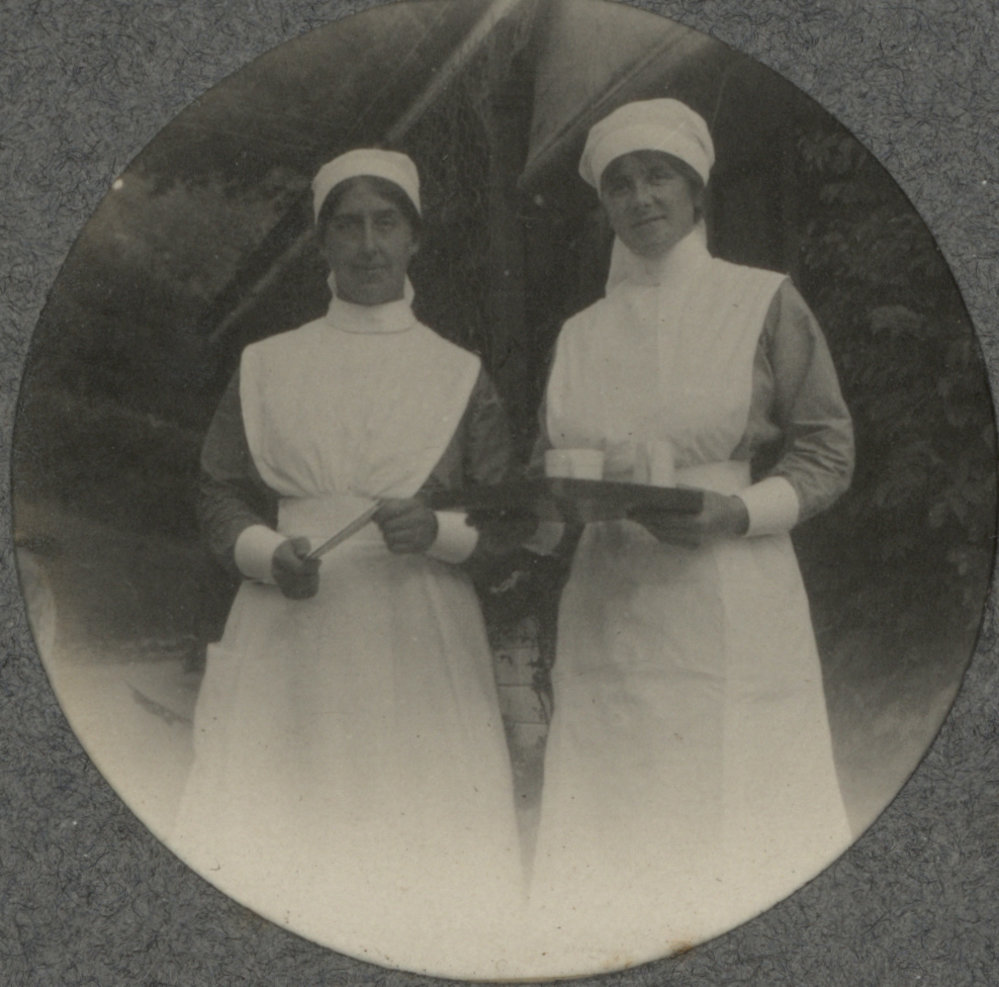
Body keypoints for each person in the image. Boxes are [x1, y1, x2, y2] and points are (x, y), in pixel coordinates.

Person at [172, 149, 524, 978]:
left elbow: (510, 522)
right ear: (321, 241)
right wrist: (264, 551)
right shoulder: (266, 364)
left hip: (421, 633)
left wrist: (436, 532)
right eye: (348, 224)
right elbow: (218, 488)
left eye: (386, 222)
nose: (368, 244)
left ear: (414, 239)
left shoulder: (458, 375)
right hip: (292, 627)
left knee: (424, 840)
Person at [525, 100, 855, 973]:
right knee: (615, 822)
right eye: (619, 183)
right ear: (602, 204)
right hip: (606, 607)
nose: (639, 198)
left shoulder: (760, 299)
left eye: (657, 175)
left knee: (734, 813)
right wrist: (538, 511)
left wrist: (738, 513)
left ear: (695, 188)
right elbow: (549, 470)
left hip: (729, 595)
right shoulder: (579, 335)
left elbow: (827, 448)